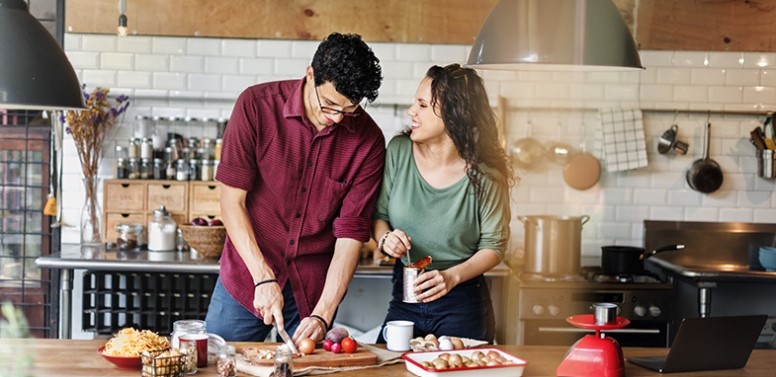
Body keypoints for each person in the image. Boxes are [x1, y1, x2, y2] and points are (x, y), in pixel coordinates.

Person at [205, 32, 385, 345]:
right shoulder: (256, 107)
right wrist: (263, 276)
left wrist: (324, 313)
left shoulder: (368, 141)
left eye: (349, 109)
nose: (336, 119)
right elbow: (232, 202)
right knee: (220, 365)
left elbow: (350, 236)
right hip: (249, 275)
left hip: (312, 293)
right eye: (329, 105)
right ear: (310, 74)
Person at [373, 63, 514, 343]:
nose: (411, 111)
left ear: (454, 114)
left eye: (423, 105)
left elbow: (494, 247)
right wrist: (386, 238)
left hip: (463, 302)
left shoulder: (486, 176)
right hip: (405, 295)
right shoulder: (398, 151)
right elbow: (379, 216)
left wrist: (451, 277)